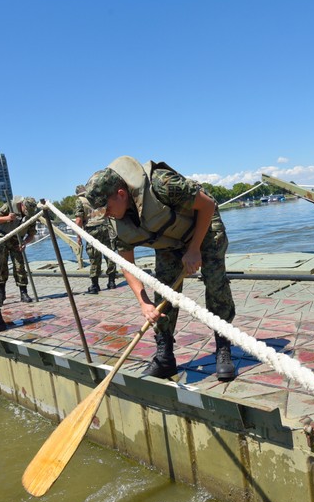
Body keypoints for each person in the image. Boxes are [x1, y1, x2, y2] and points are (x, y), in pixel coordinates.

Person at [84, 156, 236, 381]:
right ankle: (165, 357)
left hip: (204, 227)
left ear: (121, 194)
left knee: (215, 283)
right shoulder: (115, 220)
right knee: (163, 292)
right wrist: (143, 302)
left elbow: (207, 205)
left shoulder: (162, 184)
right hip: (169, 242)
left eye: (106, 209)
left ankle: (223, 346)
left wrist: (194, 249)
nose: (106, 215)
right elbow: (127, 265)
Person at [0, 196, 38, 303]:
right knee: (2, 266)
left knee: (19, 266)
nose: (27, 213)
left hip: (17, 241)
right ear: (22, 205)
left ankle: (23, 293)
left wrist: (25, 242)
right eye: (26, 210)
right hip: (3, 238)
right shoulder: (9, 206)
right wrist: (7, 218)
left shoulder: (31, 215)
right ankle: (1, 293)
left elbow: (31, 234)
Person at [74, 184, 117, 294]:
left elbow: (78, 220)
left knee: (94, 257)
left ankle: (95, 285)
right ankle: (111, 282)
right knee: (110, 255)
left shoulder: (80, 200)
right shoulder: (98, 196)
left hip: (92, 230)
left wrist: (78, 236)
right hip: (106, 227)